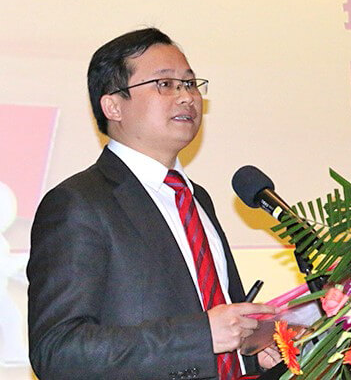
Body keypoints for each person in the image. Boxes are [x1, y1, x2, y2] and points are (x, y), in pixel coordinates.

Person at [27, 28, 280, 379]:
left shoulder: (196, 199)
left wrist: (252, 352)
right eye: (165, 84)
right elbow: (58, 350)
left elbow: (217, 333)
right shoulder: (79, 203)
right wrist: (202, 336)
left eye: (190, 83)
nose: (186, 97)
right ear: (113, 105)